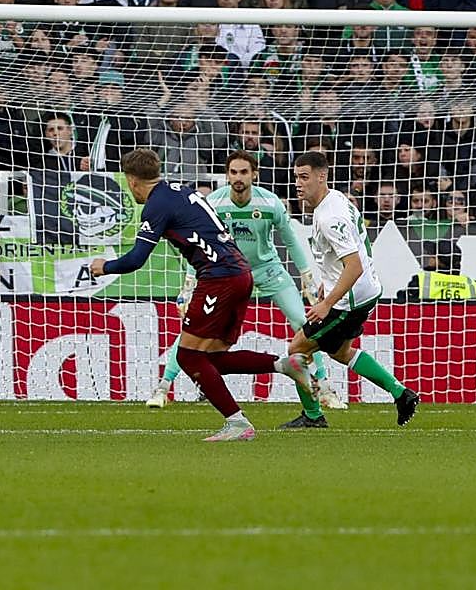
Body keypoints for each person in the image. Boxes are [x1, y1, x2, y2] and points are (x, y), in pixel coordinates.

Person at [90, 148, 313, 442]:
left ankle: (237, 423)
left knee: (187, 357)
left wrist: (103, 266)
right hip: (240, 274)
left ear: (132, 180)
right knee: (213, 358)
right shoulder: (180, 191)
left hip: (219, 279)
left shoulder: (156, 205)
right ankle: (283, 364)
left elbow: (135, 260)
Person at [150, 150, 351, 419]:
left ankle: (325, 388)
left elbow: (290, 240)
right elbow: (197, 243)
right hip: (226, 274)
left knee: (306, 323)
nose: (238, 178)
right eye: (233, 172)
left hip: (267, 270)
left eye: (244, 172)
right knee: (194, 330)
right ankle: (163, 388)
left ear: (254, 174)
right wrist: (189, 282)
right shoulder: (214, 203)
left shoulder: (269, 203)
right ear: (227, 175)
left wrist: (306, 275)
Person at [289, 151, 421, 427]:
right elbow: (344, 256)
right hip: (365, 291)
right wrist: (328, 284)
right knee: (339, 351)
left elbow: (354, 265)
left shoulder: (329, 217)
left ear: (321, 176)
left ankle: (313, 416)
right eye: (296, 177)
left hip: (348, 299)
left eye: (304, 177)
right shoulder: (335, 199)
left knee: (297, 350)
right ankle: (401, 394)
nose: (298, 184)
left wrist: (327, 302)